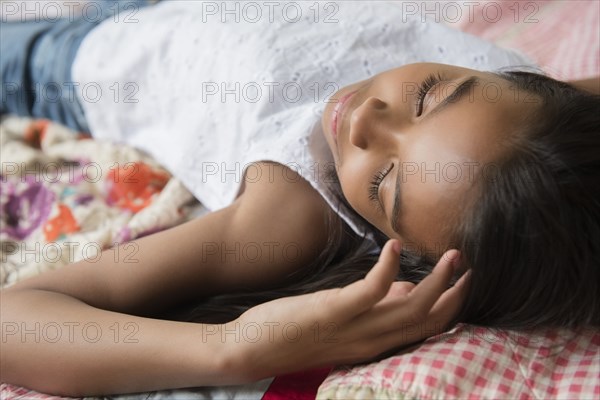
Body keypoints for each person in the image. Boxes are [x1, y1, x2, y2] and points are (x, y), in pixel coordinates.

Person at [1, 0, 599, 397]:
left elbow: (13, 320)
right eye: (429, 95)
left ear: (402, 246)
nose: (365, 121)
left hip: (88, 54)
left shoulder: (290, 213)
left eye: (383, 181)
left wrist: (232, 348)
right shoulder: (538, 126)